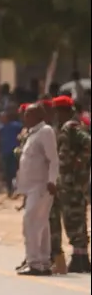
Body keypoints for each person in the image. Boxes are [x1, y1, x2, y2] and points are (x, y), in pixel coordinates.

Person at [15, 103, 59, 276]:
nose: (24, 117)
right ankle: (42, 262)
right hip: (31, 187)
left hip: (41, 186)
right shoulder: (33, 133)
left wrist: (52, 181)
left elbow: (53, 159)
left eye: (27, 114)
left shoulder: (46, 131)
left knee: (31, 223)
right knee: (41, 224)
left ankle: (34, 263)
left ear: (37, 116)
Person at [53, 95, 92, 273]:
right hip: (70, 181)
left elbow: (88, 144)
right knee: (75, 219)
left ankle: (80, 258)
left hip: (73, 181)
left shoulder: (72, 127)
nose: (56, 115)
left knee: (74, 218)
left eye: (58, 111)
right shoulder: (69, 127)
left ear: (65, 111)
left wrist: (78, 161)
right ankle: (81, 258)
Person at [0, 106, 23, 197]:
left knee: (15, 171)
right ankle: (9, 190)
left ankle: (17, 189)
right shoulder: (1, 128)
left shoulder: (16, 126)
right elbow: (0, 140)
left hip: (15, 152)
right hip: (5, 153)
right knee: (7, 173)